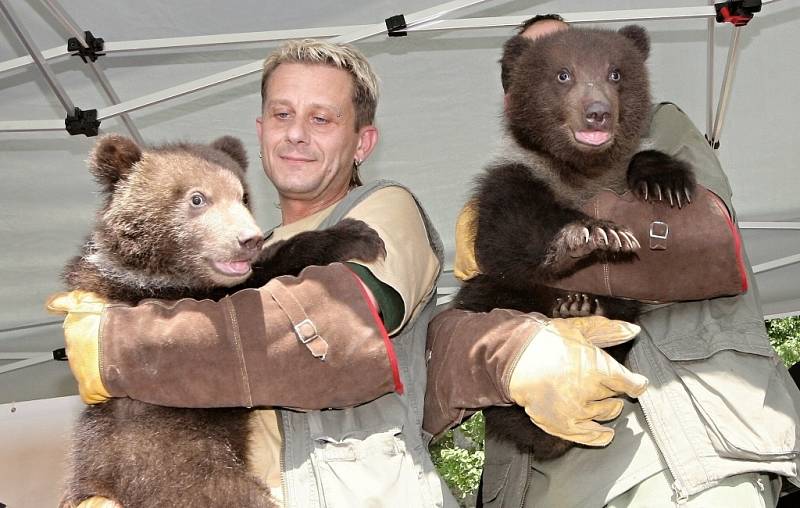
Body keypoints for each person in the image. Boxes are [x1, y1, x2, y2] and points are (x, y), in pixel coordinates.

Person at [47, 39, 648, 508]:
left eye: (322, 119)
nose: (297, 134)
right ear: (259, 132)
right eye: (282, 114)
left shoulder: (384, 211)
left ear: (363, 142)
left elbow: (331, 336)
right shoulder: (233, 255)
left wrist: (120, 343)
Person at [424, 14, 800, 508]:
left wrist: (636, 179)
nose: (589, 91)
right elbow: (477, 326)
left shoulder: (659, 128)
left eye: (600, 68)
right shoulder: (501, 191)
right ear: (516, 96)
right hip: (549, 477)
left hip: (676, 449)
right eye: (559, 73)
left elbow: (704, 239)